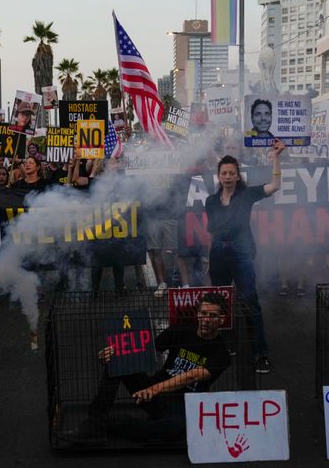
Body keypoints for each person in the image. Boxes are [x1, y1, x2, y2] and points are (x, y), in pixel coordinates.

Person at [60, 293, 232, 444]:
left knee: (176, 429)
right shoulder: (181, 330)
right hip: (154, 395)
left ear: (222, 319)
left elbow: (193, 376)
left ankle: (117, 424)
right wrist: (112, 353)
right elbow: (145, 349)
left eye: (213, 316)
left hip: (182, 406)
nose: (206, 319)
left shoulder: (221, 353)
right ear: (197, 314)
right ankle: (94, 424)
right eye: (203, 314)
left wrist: (154, 389)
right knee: (118, 361)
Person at [205, 141, 285, 374]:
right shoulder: (211, 202)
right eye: (224, 173)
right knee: (220, 301)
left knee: (250, 302)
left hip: (242, 251)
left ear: (238, 176)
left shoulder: (247, 195)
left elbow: (275, 185)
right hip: (218, 252)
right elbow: (213, 233)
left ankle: (261, 354)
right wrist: (209, 259)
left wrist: (276, 158)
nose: (228, 176)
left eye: (232, 173)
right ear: (219, 177)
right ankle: (225, 346)